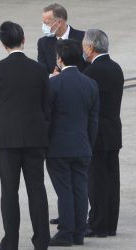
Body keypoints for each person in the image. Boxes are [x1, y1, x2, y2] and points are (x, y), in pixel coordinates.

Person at [0, 21, 50, 250]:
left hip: (7, 138)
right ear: (24, 40)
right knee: (37, 189)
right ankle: (42, 241)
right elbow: (46, 105)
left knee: (9, 191)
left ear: (3, 44)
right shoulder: (40, 69)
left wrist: (5, 126)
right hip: (35, 137)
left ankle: (10, 242)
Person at [46, 39, 99, 246]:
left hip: (58, 147)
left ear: (60, 59)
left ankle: (66, 232)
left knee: (64, 191)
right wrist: (88, 143)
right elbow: (93, 120)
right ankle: (78, 232)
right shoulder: (90, 84)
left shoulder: (53, 83)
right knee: (80, 188)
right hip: (83, 145)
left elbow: (47, 118)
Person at [82, 29, 124, 237]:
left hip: (97, 134)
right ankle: (110, 224)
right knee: (111, 179)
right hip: (113, 132)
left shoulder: (91, 72)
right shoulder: (116, 68)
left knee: (96, 180)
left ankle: (98, 224)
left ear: (90, 47)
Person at [37, 3, 87, 77]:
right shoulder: (43, 43)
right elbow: (42, 71)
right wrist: (51, 76)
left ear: (59, 22)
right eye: (43, 23)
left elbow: (90, 66)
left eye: (46, 23)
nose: (44, 26)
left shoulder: (83, 38)